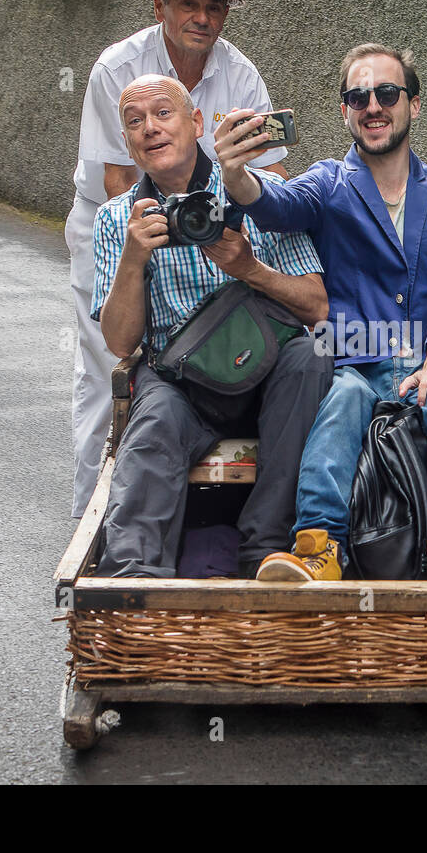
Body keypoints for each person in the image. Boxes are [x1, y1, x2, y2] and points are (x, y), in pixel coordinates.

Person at [215, 44, 427, 583]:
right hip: (351, 354)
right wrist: (235, 176)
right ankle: (318, 550)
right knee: (340, 404)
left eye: (387, 93)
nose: (373, 105)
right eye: (358, 96)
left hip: (426, 354)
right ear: (344, 110)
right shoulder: (328, 180)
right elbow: (274, 207)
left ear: (413, 105)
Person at [65, 0, 289, 518]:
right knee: (109, 364)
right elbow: (121, 183)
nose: (203, 18)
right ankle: (95, 511)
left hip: (217, 223)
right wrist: (149, 258)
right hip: (122, 218)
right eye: (189, 3)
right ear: (160, 5)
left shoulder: (241, 73)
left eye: (215, 7)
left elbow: (275, 175)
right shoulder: (117, 68)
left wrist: (230, 249)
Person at [91, 74, 329, 579]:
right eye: (135, 122)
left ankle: (265, 552)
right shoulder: (118, 218)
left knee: (312, 355)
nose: (150, 128)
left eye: (163, 113)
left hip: (269, 376)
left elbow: (317, 308)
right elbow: (118, 342)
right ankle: (132, 584)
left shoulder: (259, 193)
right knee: (152, 424)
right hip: (183, 385)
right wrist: (134, 259)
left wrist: (250, 269)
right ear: (128, 143)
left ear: (196, 122)